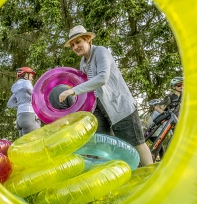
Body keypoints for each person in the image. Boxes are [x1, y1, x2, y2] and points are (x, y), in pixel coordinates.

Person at [58, 25, 153, 166]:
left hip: (120, 107)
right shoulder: (83, 63)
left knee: (136, 143)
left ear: (88, 39)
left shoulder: (101, 52)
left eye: (78, 42)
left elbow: (103, 78)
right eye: (72, 45)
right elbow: (88, 88)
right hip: (100, 109)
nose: (75, 47)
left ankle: (153, 175)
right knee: (106, 146)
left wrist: (73, 90)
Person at [7, 67, 41, 137]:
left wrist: (20, 105)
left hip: (19, 118)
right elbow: (30, 91)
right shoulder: (27, 82)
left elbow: (9, 104)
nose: (32, 79)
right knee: (37, 138)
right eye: (31, 76)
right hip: (28, 116)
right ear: (26, 75)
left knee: (23, 145)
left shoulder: (17, 89)